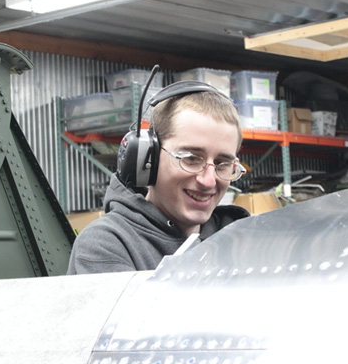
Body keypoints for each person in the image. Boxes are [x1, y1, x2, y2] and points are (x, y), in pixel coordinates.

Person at [67, 84, 250, 274]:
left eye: (222, 164)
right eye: (191, 159)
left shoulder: (241, 240)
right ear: (149, 158)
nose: (209, 181)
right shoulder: (105, 244)